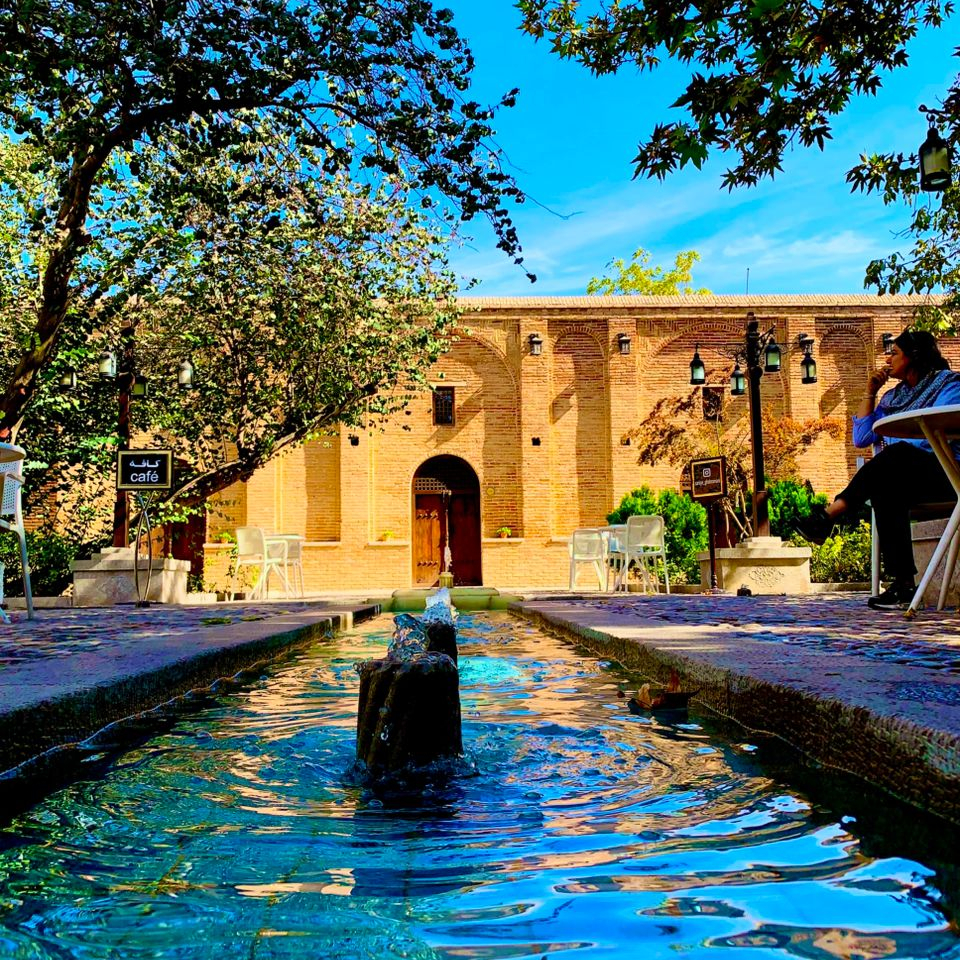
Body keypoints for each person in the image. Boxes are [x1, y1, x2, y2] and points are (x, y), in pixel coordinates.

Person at [798, 328, 960, 610]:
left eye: (894, 353)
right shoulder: (893, 398)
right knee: (886, 489)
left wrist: (901, 446)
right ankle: (903, 586)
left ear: (913, 356)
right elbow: (861, 438)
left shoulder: (949, 385)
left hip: (949, 475)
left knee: (896, 456)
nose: (887, 359)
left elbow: (936, 433)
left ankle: (830, 514)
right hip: (908, 479)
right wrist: (870, 392)